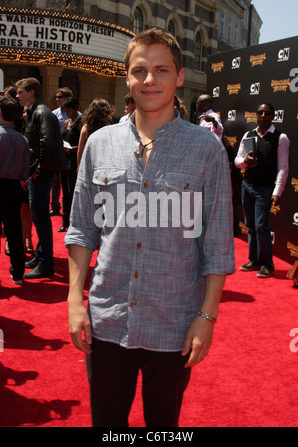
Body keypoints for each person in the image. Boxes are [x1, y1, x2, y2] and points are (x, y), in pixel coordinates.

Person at [65, 28, 235, 427]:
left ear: (179, 77)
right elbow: (80, 230)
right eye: (139, 70)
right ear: (126, 76)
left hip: (175, 321)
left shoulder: (206, 149)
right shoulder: (99, 144)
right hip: (107, 319)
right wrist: (75, 300)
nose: (149, 80)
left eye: (161, 70)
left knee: (164, 426)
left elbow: (217, 243)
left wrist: (206, 317)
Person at [16, 77, 66, 279]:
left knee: (41, 219)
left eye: (20, 92)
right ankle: (41, 255)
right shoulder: (37, 111)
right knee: (39, 218)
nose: (17, 96)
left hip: (40, 174)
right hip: (39, 173)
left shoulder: (41, 112)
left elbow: (47, 142)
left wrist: (37, 169)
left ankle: (46, 263)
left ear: (32, 92)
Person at [234, 103, 289, 278]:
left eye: (267, 113)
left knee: (261, 227)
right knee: (250, 226)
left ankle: (267, 264)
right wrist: (245, 162)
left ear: (273, 116)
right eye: (260, 112)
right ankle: (254, 260)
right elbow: (237, 159)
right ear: (255, 115)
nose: (263, 115)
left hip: (264, 189)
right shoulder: (248, 135)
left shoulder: (280, 138)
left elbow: (283, 168)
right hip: (247, 186)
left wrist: (277, 191)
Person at [0, 95, 30, 285]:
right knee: (15, 230)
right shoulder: (22, 139)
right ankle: (18, 272)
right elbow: (25, 170)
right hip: (14, 187)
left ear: (0, 112)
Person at [59, 97, 83, 232]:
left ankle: (74, 221)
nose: (67, 113)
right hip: (64, 159)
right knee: (65, 192)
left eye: (69, 111)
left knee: (73, 191)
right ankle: (64, 220)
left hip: (74, 160)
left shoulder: (80, 123)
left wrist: (73, 149)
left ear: (75, 109)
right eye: (65, 111)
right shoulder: (65, 123)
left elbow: (82, 144)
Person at [50, 87, 75, 217]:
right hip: (56, 150)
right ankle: (54, 206)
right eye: (56, 97)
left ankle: (70, 210)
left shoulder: (76, 116)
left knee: (68, 182)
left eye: (60, 97)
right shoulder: (54, 113)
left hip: (70, 152)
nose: (57, 99)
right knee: (55, 181)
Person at [77, 98, 115, 167]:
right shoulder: (109, 127)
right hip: (103, 163)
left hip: (89, 161)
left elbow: (80, 150)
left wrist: (79, 167)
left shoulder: (86, 128)